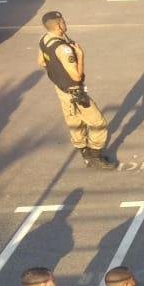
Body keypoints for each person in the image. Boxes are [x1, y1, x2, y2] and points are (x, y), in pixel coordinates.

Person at [36, 11, 115, 169]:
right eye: (63, 21)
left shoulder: (44, 39)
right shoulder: (63, 49)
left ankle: (83, 151)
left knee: (75, 122)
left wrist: (58, 72)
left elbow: (41, 62)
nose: (65, 23)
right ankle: (95, 156)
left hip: (61, 90)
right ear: (59, 25)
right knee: (98, 122)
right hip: (75, 92)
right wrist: (80, 55)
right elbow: (77, 76)